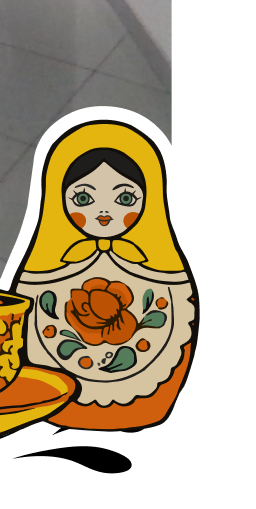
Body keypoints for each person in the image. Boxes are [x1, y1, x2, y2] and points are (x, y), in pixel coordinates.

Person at [14, 120, 197, 429]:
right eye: (83, 199)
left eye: (124, 199)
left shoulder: (166, 275)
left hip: (149, 403)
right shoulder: (44, 273)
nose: (103, 213)